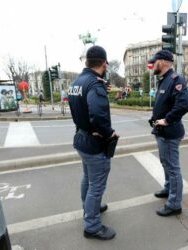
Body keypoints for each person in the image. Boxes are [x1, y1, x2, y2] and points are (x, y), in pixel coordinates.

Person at [68, 45, 117, 240]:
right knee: (96, 186)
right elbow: (97, 114)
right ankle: (92, 226)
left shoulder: (77, 82)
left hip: (81, 138)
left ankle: (89, 208)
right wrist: (109, 133)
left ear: (87, 62)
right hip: (95, 143)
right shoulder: (95, 84)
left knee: (87, 179)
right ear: (104, 63)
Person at [147, 50, 188, 217]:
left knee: (172, 167)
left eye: (155, 61)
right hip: (161, 131)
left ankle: (174, 204)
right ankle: (168, 188)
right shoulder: (163, 80)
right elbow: (163, 103)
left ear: (164, 62)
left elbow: (184, 105)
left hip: (170, 131)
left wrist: (166, 120)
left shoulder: (176, 79)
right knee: (166, 163)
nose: (152, 65)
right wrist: (154, 118)